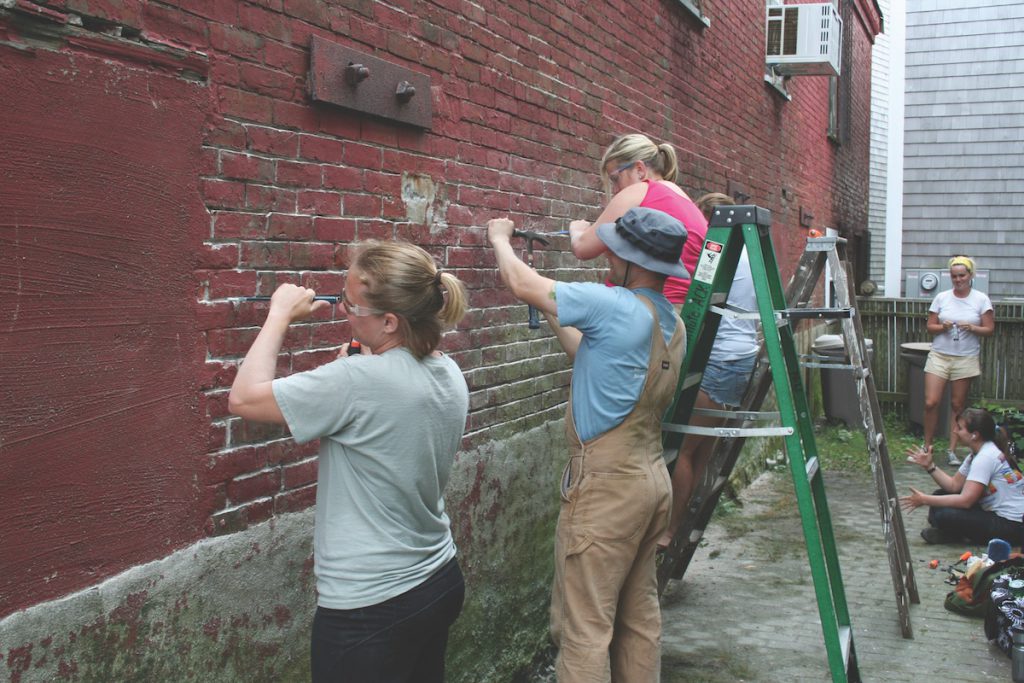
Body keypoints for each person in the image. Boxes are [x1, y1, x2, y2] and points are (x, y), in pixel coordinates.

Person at [228, 241, 470, 683]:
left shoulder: (358, 380)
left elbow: (243, 398)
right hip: (437, 578)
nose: (343, 310)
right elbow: (388, 407)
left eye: (351, 304)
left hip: (371, 606)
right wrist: (363, 365)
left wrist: (278, 313)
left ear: (390, 321)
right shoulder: (449, 372)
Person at [487, 207, 687, 682]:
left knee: (583, 630)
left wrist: (499, 239)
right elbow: (591, 354)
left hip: (605, 489)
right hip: (651, 481)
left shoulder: (611, 304)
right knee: (639, 620)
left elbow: (521, 283)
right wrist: (558, 312)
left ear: (630, 259)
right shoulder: (670, 322)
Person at [659, 193, 760, 548]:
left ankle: (669, 531)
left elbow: (694, 296)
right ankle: (682, 521)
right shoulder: (748, 254)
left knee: (684, 448)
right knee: (700, 448)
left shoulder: (717, 252)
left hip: (719, 357)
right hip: (741, 357)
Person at [568, 133, 708, 305]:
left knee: (558, 301)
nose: (617, 189)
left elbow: (583, 248)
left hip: (647, 306)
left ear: (640, 170)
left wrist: (577, 230)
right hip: (682, 308)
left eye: (615, 179)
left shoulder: (640, 190)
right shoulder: (684, 198)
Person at [902, 408, 1024, 546]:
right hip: (999, 515)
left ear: (974, 435)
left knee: (945, 514)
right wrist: (930, 466)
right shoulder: (977, 453)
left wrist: (924, 500)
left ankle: (954, 535)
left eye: (959, 428)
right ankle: (952, 533)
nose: (954, 431)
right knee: (940, 496)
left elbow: (966, 501)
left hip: (1013, 525)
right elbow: (954, 486)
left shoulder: (985, 457)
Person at [923, 256, 995, 466]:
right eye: (954, 276)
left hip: (965, 357)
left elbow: (989, 330)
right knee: (931, 402)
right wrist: (943, 327)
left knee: (957, 405)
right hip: (939, 355)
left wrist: (972, 328)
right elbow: (930, 327)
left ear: (971, 275)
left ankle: (952, 450)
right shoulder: (942, 298)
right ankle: (927, 446)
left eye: (962, 275)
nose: (958, 279)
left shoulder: (981, 299)